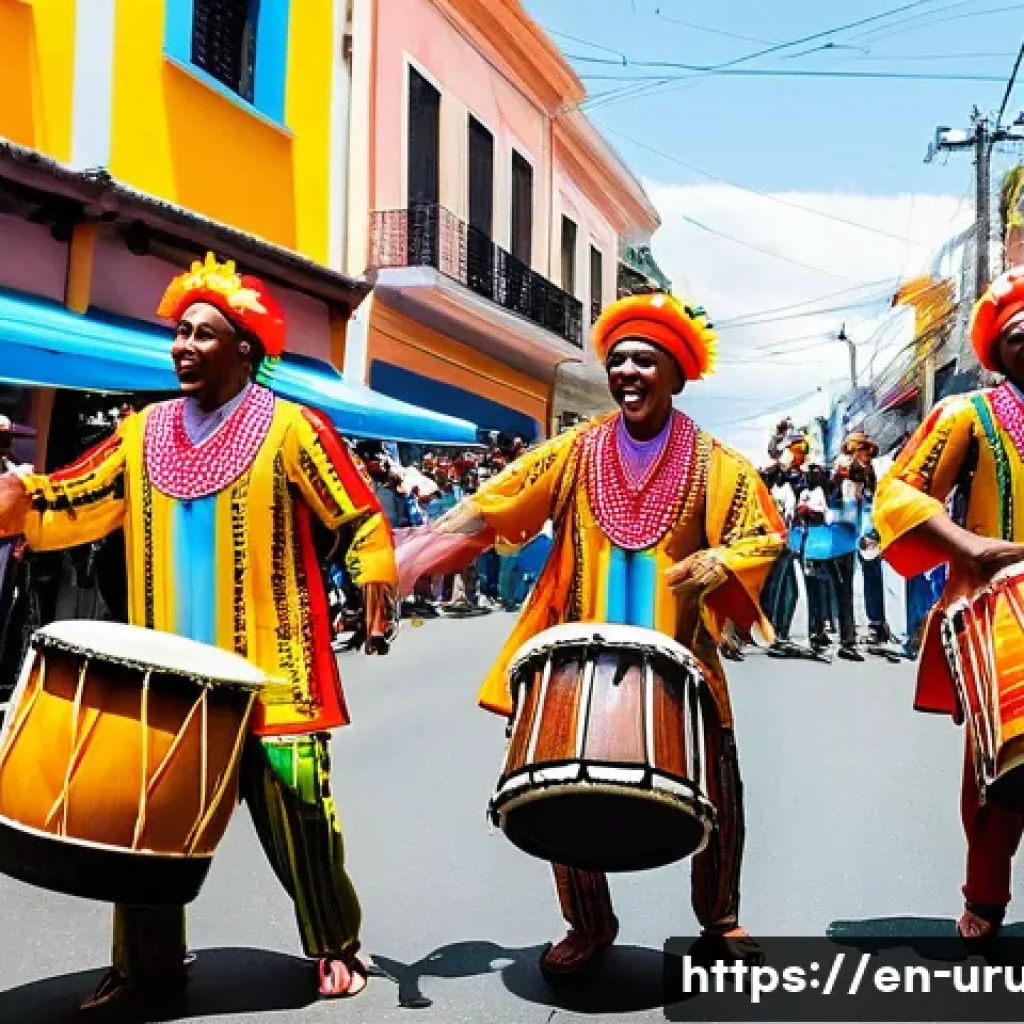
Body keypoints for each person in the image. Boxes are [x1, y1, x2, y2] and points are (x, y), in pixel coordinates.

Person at [0, 254, 397, 1006]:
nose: (181, 345)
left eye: (201, 334)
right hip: (168, 679)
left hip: (275, 672)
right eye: (178, 333)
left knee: (301, 809)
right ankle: (143, 964)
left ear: (244, 349)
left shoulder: (293, 428)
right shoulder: (142, 431)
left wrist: (375, 569)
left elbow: (357, 512)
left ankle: (334, 941)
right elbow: (75, 500)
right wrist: (21, 499)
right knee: (143, 824)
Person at [397, 291, 785, 972]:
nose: (628, 372)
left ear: (675, 374)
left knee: (719, 789)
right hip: (578, 662)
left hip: (683, 662)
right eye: (618, 361)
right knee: (561, 785)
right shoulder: (573, 452)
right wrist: (410, 559)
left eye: (644, 359)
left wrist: (721, 558)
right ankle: (588, 923)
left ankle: (720, 918)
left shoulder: (719, 462)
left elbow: (763, 536)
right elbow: (493, 508)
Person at [874, 266, 1024, 944]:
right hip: (1003, 615)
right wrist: (968, 546)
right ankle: (985, 899)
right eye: (1020, 332)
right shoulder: (968, 414)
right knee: (1000, 772)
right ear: (997, 348)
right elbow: (900, 495)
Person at [837, 430, 890, 646]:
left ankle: (876, 624)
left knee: (871, 575)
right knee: (846, 579)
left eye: (860, 449)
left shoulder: (874, 470)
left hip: (869, 528)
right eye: (854, 449)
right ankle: (848, 628)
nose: (858, 454)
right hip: (849, 527)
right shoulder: (846, 474)